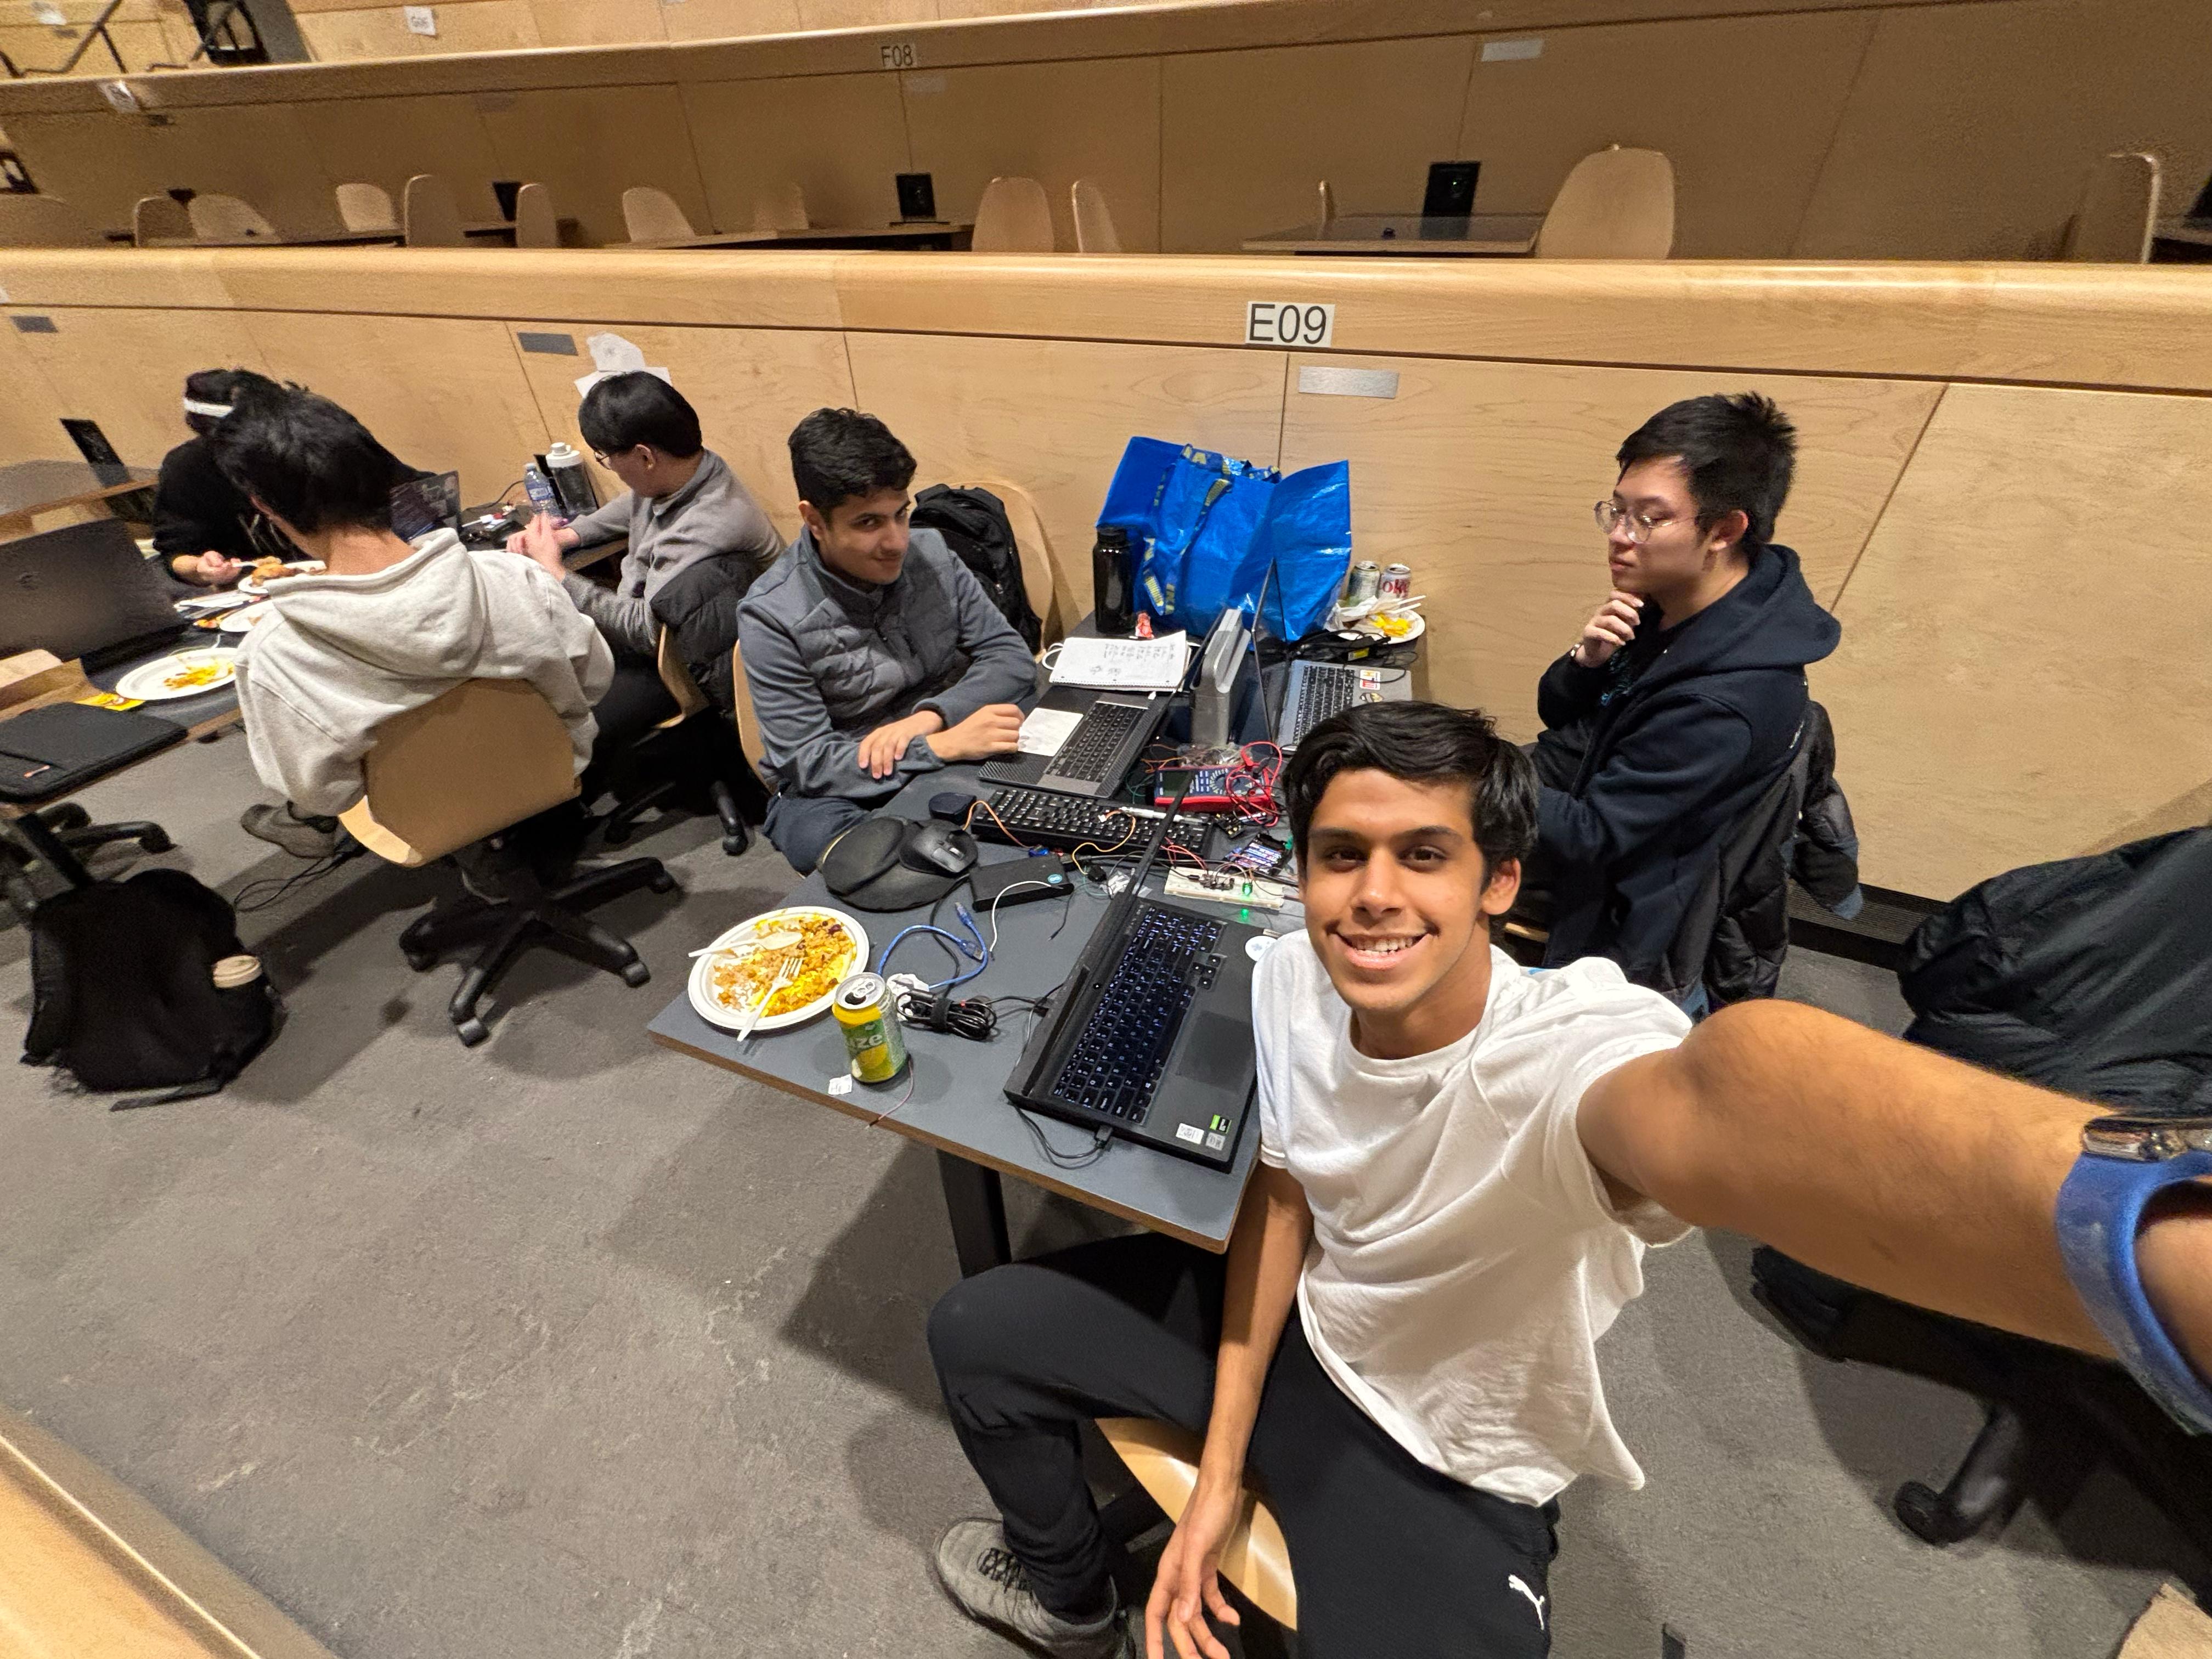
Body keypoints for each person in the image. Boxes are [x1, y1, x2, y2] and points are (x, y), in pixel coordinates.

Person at [924, 699, 2212, 1659]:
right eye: (1340, 854)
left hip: (1446, 1438)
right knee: (977, 1328)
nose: (1373, 897)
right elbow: (1285, 1194)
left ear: (1499, 881)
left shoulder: (1564, 1050)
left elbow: (1723, 1096)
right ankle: (1073, 1600)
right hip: (1310, 1332)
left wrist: (2140, 1224)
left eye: (1423, 856)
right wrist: (1218, 1470)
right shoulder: (1288, 976)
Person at [1526, 392, 1837, 1009]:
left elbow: (1594, 836)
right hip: (1597, 819)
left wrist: (1467, 776)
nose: (1620, 537)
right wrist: (1587, 663)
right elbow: (1559, 716)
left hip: (1618, 910)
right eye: (1617, 511)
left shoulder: (1725, 700)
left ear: (1724, 530)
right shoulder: (1673, 604)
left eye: (1648, 519)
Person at [212, 383, 612, 857]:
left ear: (264, 505)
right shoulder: (516, 578)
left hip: (418, 820)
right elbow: (595, 680)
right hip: (552, 772)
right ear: (385, 478)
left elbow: (321, 795)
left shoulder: (275, 656)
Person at [736, 408, 1034, 872]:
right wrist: (939, 748)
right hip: (846, 780)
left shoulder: (932, 553)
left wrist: (931, 720)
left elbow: (1010, 656)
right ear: (814, 520)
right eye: (869, 523)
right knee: (848, 853)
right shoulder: (772, 614)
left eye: (901, 514)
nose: (897, 541)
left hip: (947, 732)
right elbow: (809, 764)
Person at [505, 372, 782, 772]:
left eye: (607, 458)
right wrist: (567, 536)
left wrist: (555, 572)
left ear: (645, 457)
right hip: (662, 639)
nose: (611, 469)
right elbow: (632, 505)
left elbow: (645, 629)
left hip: (685, 667)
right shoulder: (689, 471)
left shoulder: (710, 524)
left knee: (550, 709)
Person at [153, 367, 284, 588]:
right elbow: (176, 553)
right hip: (253, 588)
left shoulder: (313, 446)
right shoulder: (188, 467)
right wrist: (201, 568)